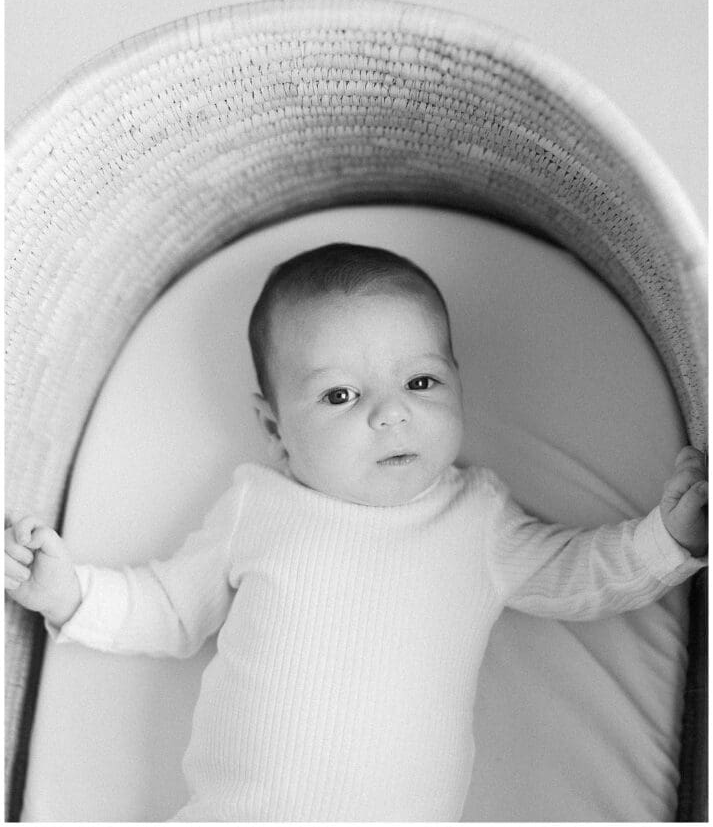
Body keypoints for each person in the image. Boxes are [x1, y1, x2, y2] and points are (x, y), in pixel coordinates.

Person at [5, 242, 708, 822]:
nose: (390, 415)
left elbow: (578, 575)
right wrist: (71, 594)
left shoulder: (474, 520)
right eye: (341, 395)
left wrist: (667, 537)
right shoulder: (259, 506)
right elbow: (168, 609)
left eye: (421, 383)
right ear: (275, 428)